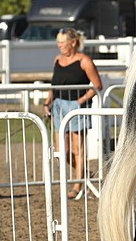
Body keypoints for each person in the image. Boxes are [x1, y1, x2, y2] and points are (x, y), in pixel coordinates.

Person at [44, 27, 104, 198]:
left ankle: (77, 185)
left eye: (63, 42)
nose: (60, 46)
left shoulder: (84, 61)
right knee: (61, 150)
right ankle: (83, 172)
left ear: (73, 43)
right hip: (58, 106)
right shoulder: (57, 60)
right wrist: (47, 102)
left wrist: (81, 101)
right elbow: (53, 85)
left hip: (77, 106)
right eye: (58, 42)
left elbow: (97, 85)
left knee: (78, 148)